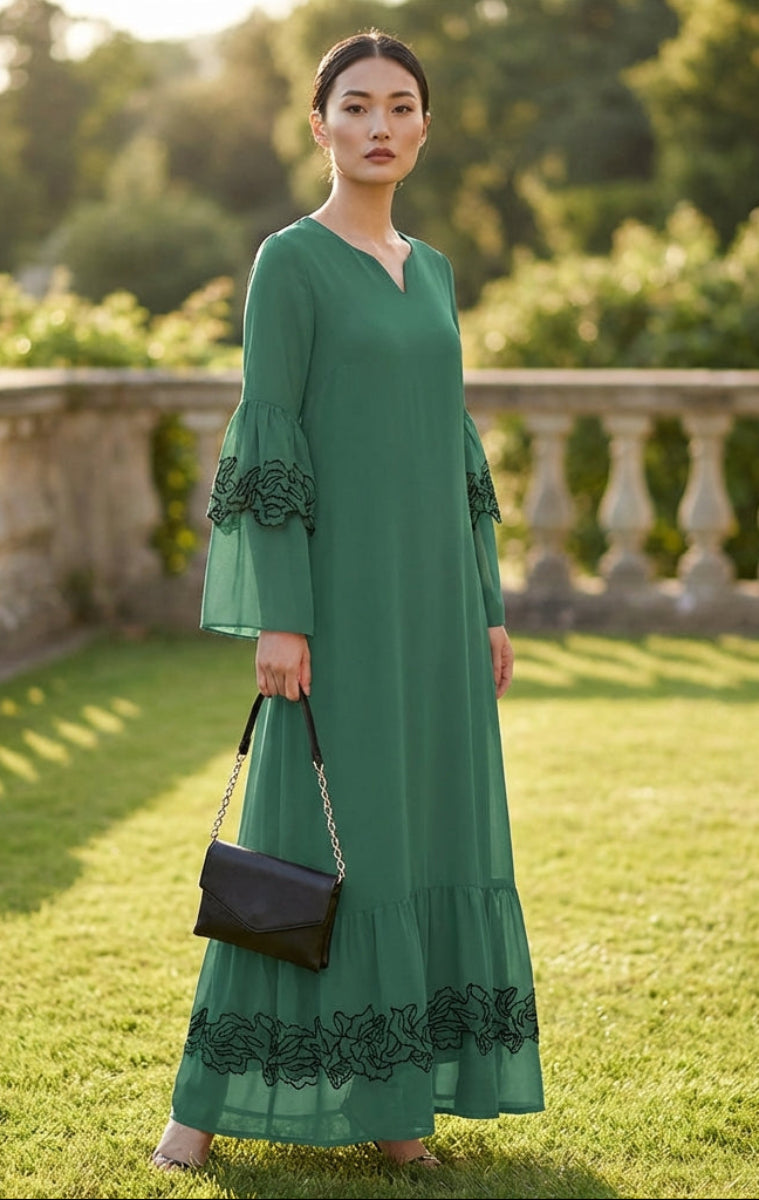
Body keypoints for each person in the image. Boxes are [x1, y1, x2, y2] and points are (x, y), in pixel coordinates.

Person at [151, 28, 544, 1174]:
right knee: (303, 837)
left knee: (420, 837)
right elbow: (267, 439)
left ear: (425, 127)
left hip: (432, 613)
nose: (381, 125)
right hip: (334, 608)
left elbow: (450, 452)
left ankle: (390, 1108)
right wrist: (282, 612)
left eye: (403, 106)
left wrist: (485, 606)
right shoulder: (290, 262)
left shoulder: (435, 273)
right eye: (358, 105)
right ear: (318, 123)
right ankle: (199, 1114)